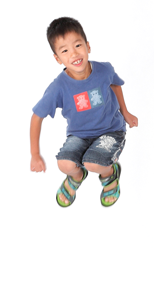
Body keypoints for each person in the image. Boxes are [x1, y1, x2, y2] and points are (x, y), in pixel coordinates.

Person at [30, 17, 138, 207]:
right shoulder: (58, 87)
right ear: (57, 58)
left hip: (111, 131)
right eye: (65, 51)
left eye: (78, 45)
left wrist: (125, 112)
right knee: (65, 165)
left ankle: (110, 174)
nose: (74, 53)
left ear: (88, 46)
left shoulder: (104, 69)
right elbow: (37, 117)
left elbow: (115, 84)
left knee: (93, 163)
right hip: (79, 135)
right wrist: (35, 154)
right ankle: (77, 177)